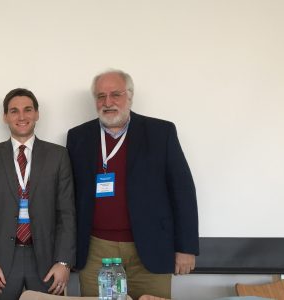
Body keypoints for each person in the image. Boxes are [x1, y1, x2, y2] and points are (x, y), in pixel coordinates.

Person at [65, 69, 199, 300]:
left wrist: (186, 248)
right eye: (100, 96)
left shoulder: (161, 133)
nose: (107, 102)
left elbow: (183, 191)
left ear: (130, 96)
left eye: (115, 94)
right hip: (96, 249)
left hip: (150, 247)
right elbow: (69, 197)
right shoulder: (78, 137)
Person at [0, 88, 76, 300]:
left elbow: (66, 213)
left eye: (27, 110)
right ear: (5, 117)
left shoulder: (58, 156)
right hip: (0, 262)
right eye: (14, 111)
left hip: (47, 261)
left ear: (37, 113)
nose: (21, 116)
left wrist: (64, 262)